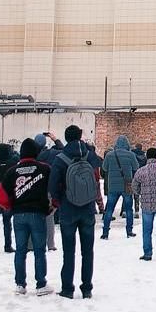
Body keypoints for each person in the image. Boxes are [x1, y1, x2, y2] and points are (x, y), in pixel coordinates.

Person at [49, 124, 105, 299]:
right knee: (88, 251)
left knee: (69, 251)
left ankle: (67, 288)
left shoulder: (61, 158)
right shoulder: (89, 155)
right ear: (80, 136)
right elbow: (99, 168)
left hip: (68, 208)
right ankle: (87, 287)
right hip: (88, 207)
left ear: (66, 138)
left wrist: (57, 201)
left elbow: (52, 185)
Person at [0, 138, 53, 296]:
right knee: (39, 250)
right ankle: (41, 284)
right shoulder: (44, 169)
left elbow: (0, 196)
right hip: (38, 213)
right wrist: (53, 205)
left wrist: (10, 207)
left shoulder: (12, 171)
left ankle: (20, 284)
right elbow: (55, 186)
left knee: (20, 250)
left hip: (19, 215)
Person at [101, 135, 139, 240]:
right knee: (129, 209)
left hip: (112, 185)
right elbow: (136, 167)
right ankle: (129, 231)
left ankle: (105, 232)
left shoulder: (109, 155)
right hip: (127, 184)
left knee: (109, 209)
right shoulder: (131, 155)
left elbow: (104, 168)